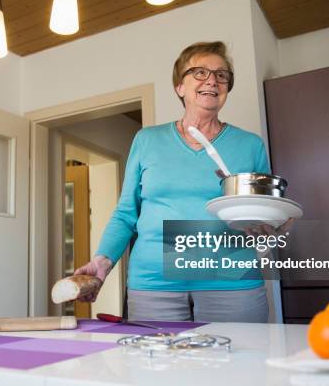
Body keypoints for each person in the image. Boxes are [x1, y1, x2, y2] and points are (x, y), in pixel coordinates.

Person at [74, 41, 283, 323]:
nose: (212, 79)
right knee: (158, 366)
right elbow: (126, 213)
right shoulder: (147, 140)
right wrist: (103, 261)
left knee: (240, 363)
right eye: (199, 72)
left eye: (222, 75)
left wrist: (271, 224)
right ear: (179, 87)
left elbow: (265, 213)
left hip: (230, 280)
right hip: (154, 284)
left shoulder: (250, 145)